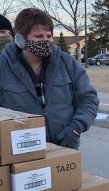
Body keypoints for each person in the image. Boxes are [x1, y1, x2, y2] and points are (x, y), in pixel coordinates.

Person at [0, 8, 99, 149]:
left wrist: (75, 129)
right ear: (20, 40)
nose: (46, 41)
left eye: (49, 36)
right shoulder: (3, 66)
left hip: (65, 147)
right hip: (19, 151)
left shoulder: (67, 63)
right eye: (39, 36)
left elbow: (89, 99)